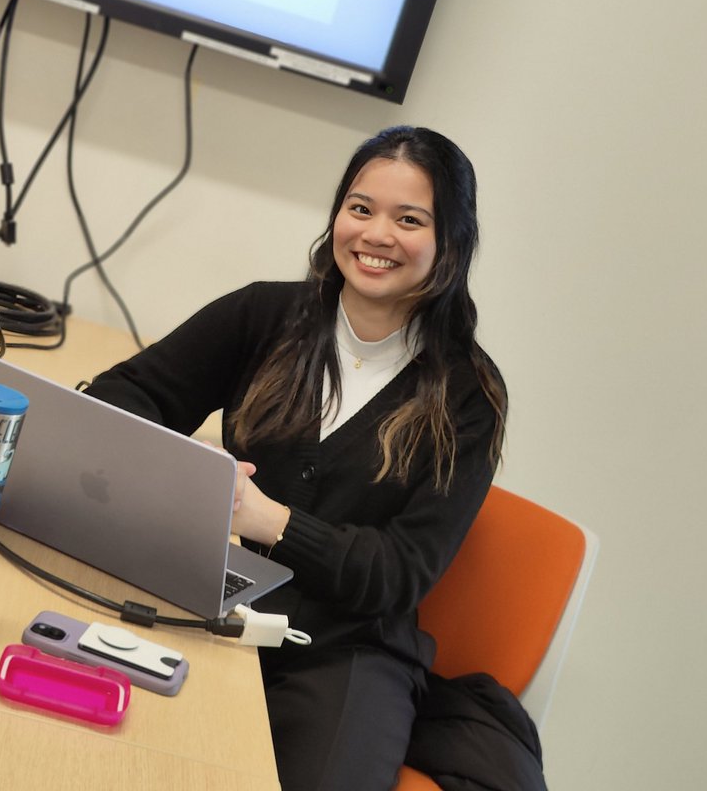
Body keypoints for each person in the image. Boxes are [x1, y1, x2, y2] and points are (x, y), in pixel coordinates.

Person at [86, 125, 507, 791]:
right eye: (360, 208)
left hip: (348, 651)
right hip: (209, 592)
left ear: (451, 242)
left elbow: (400, 574)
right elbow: (121, 396)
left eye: (409, 219)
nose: (375, 234)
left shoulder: (470, 395)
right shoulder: (265, 314)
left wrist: (271, 521)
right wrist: (184, 472)